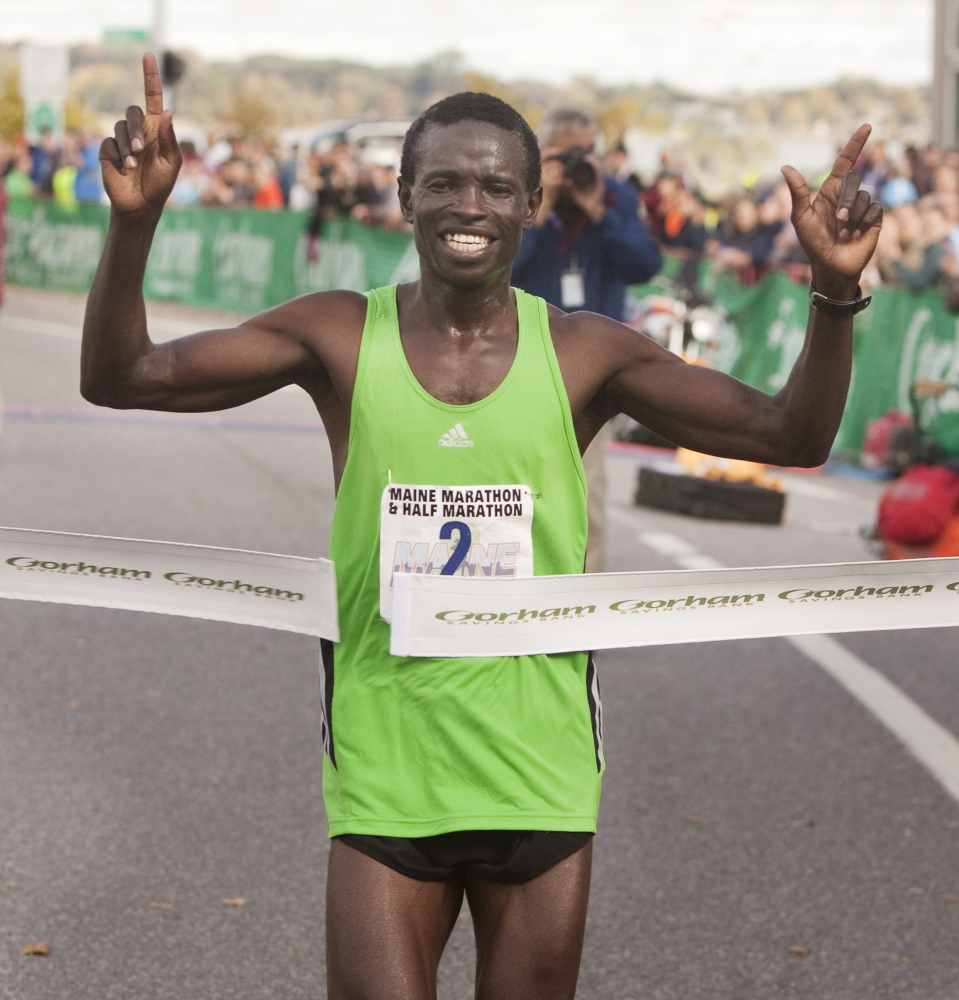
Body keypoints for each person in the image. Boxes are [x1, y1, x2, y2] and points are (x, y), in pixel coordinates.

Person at [84, 55, 882, 1000]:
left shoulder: (584, 351)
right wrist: (133, 225)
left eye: (496, 185)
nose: (470, 204)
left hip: (535, 766)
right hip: (388, 759)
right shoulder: (337, 334)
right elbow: (123, 378)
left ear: (532, 203)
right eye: (446, 182)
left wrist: (833, 295)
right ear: (404, 195)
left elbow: (789, 433)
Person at [512, 109, 661, 571]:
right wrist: (544, 202)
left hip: (591, 363)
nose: (580, 161)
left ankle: (581, 598)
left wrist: (598, 210)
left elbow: (644, 264)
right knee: (512, 478)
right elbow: (504, 267)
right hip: (523, 353)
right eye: (567, 152)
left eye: (587, 151)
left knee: (586, 485)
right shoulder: (527, 193)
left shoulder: (613, 194)